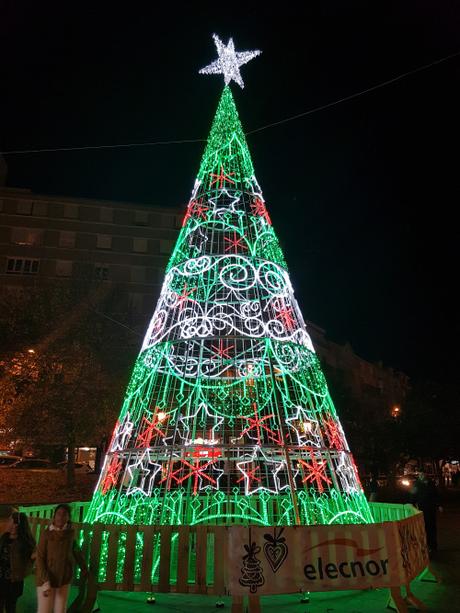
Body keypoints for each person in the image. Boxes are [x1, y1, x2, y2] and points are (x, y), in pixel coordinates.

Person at [36, 504, 88, 613]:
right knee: (44, 610)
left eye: (64, 514)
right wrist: (46, 580)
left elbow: (76, 551)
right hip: (46, 579)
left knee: (60, 610)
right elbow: (40, 557)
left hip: (64, 578)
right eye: (58, 514)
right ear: (54, 516)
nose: (61, 517)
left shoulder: (70, 535)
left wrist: (84, 568)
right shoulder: (46, 534)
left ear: (68, 517)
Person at [0, 510, 36, 613]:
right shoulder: (5, 537)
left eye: (10, 520)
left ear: (16, 524)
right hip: (1, 578)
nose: (8, 522)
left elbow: (30, 560)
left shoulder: (24, 542)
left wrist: (22, 573)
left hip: (13, 581)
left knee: (10, 606)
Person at [412, 471, 442, 553]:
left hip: (431, 508)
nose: (422, 475)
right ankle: (426, 545)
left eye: (423, 474)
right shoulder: (417, 484)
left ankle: (433, 545)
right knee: (424, 527)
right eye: (420, 474)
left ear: (426, 475)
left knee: (432, 526)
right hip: (422, 508)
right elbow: (413, 496)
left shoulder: (431, 483)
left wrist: (439, 505)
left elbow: (436, 495)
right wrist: (413, 505)